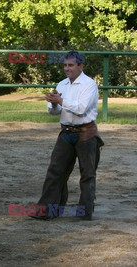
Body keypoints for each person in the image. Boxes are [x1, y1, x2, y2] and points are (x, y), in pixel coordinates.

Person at [31, 51, 104, 221]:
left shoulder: (90, 85)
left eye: (71, 65)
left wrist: (61, 101)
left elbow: (81, 109)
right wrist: (52, 103)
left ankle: (85, 213)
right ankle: (47, 210)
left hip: (86, 133)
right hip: (66, 132)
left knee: (87, 174)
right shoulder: (62, 84)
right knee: (55, 171)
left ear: (80, 66)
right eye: (65, 65)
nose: (67, 69)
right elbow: (54, 112)